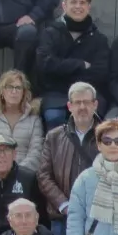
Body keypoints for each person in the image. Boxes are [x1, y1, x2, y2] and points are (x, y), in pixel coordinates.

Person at [37, 0, 113, 126]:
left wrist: (61, 69)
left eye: (82, 2)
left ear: (88, 7)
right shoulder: (50, 33)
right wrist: (80, 64)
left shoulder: (99, 39)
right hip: (56, 94)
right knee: (54, 117)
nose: (78, 6)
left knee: (91, 119)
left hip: (88, 94)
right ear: (64, 6)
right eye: (73, 2)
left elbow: (100, 73)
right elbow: (45, 65)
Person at [37, 81, 101, 223]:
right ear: (69, 106)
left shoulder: (108, 135)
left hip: (98, 216)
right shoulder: (54, 136)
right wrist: (64, 205)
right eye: (77, 102)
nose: (82, 107)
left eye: (86, 102)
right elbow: (44, 176)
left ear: (95, 104)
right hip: (63, 217)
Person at [0, 69, 43, 173]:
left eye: (18, 88)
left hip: (24, 175)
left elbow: (36, 152)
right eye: (9, 87)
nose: (14, 91)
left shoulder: (33, 118)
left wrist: (18, 173)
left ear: (24, 92)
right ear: (2, 91)